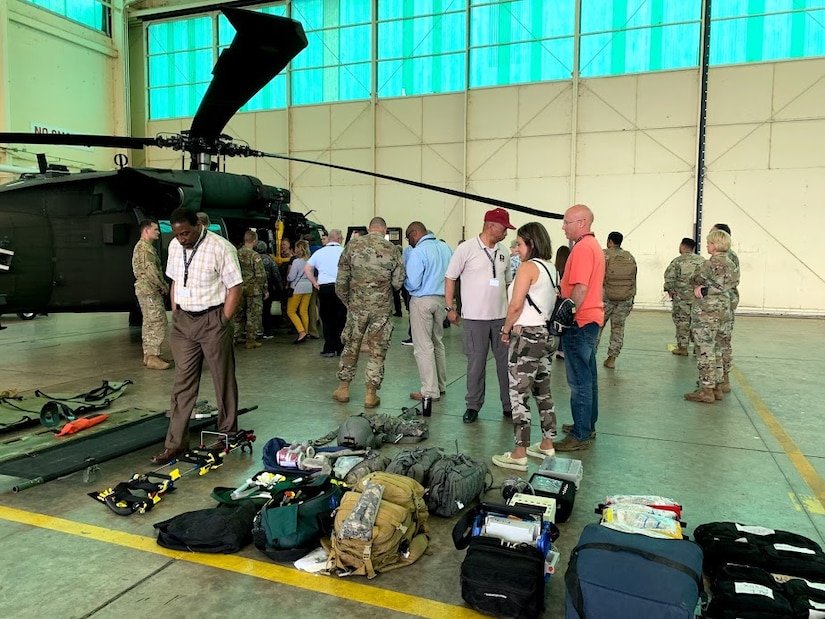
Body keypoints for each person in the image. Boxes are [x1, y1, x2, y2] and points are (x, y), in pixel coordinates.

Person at [151, 207, 242, 465]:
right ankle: (175, 444)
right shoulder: (174, 246)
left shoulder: (221, 248)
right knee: (182, 384)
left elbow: (235, 286)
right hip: (184, 323)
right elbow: (175, 282)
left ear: (199, 225)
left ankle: (228, 433)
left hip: (212, 319)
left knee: (221, 378)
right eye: (177, 234)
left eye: (186, 233)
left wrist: (223, 320)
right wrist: (175, 311)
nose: (182, 239)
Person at [492, 223, 559, 472]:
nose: (516, 249)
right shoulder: (551, 268)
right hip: (545, 335)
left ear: (531, 243)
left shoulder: (528, 268)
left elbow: (516, 305)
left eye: (519, 244)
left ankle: (519, 452)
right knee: (543, 391)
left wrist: (506, 329)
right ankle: (546, 443)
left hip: (526, 336)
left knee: (518, 394)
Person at [445, 207, 515, 423]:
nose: (506, 233)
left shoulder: (504, 251)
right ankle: (473, 405)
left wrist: (512, 313)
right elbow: (450, 278)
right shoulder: (466, 249)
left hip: (501, 318)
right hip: (475, 318)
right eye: (504, 229)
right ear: (491, 226)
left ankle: (509, 405)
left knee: (506, 363)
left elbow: (508, 283)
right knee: (476, 363)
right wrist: (450, 308)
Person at [333, 217, 405, 408]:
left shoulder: (352, 245)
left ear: (368, 228)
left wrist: (350, 303)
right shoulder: (393, 250)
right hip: (381, 310)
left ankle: (343, 389)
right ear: (385, 230)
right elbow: (398, 283)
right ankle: (370, 395)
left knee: (350, 346)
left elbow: (340, 282)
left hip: (357, 308)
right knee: (377, 351)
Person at [555, 204, 605, 452]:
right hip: (591, 319)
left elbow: (581, 288)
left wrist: (567, 314)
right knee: (589, 377)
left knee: (579, 381)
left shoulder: (584, 248)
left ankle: (580, 434)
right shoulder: (592, 246)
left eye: (567, 222)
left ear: (582, 222)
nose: (563, 227)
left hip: (581, 321)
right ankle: (587, 425)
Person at [684, 229, 739, 403]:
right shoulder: (731, 263)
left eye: (709, 243)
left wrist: (705, 288)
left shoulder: (710, 263)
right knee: (717, 347)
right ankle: (717, 385)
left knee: (705, 348)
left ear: (715, 246)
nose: (707, 245)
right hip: (724, 308)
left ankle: (706, 389)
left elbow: (695, 278)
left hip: (707, 310)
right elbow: (732, 284)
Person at [404, 221, 453, 402]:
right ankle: (440, 385)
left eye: (409, 237)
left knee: (423, 347)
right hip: (442, 300)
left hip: (422, 301)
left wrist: (405, 284)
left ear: (416, 233)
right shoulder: (446, 247)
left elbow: (414, 282)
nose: (409, 242)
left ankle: (429, 391)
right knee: (437, 343)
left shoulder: (419, 251)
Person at [132, 219, 170, 370]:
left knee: (149, 321)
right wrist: (163, 285)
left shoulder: (142, 247)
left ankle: (149, 355)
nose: (158, 232)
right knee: (158, 321)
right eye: (155, 229)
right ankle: (153, 356)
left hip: (144, 289)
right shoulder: (145, 249)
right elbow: (152, 272)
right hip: (150, 289)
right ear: (146, 230)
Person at [597, 231, 637, 369]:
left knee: (597, 327)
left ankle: (591, 356)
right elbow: (634, 279)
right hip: (625, 298)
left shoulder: (603, 254)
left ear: (609, 241)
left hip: (605, 297)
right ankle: (612, 359)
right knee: (618, 328)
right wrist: (631, 299)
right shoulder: (629, 256)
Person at [304, 228, 346, 357]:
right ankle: (340, 348)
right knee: (341, 318)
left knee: (327, 318)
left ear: (329, 238)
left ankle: (329, 348)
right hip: (341, 288)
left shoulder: (319, 253)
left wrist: (315, 283)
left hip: (325, 288)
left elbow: (307, 269)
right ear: (339, 239)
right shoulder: (344, 252)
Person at [663, 237, 705, 355]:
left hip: (681, 298)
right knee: (698, 322)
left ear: (682, 246)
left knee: (682, 321)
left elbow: (669, 277)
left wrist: (670, 290)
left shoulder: (677, 261)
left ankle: (683, 348)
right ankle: (698, 347)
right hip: (698, 298)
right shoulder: (702, 261)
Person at [711, 223, 740, 392]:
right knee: (723, 341)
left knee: (720, 342)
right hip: (727, 301)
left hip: (721, 303)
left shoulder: (725, 257)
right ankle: (722, 379)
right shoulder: (730, 256)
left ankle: (721, 380)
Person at [235, 230, 268, 349]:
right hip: (253, 290)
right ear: (254, 241)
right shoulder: (255, 256)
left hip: (238, 289)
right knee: (253, 315)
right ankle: (250, 340)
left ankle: (235, 337)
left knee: (238, 314)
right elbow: (260, 274)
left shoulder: (236, 253)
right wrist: (264, 289)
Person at [286, 239, 313, 344]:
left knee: (291, 311)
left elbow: (291, 277)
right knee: (304, 311)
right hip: (308, 287)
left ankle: (301, 332)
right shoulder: (310, 260)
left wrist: (287, 277)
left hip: (297, 288)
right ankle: (305, 332)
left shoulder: (296, 262)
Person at [256, 240, 281, 339]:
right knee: (267, 309)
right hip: (268, 284)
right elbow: (276, 273)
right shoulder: (269, 259)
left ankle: (257, 330)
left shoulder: (254, 258)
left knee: (256, 309)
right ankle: (267, 331)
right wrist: (280, 285)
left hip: (255, 285)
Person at [553, 245, 571, 360]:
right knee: (566, 327)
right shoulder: (569, 271)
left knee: (557, 326)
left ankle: (558, 350)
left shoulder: (554, 270)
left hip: (556, 302)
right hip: (566, 302)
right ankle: (563, 350)